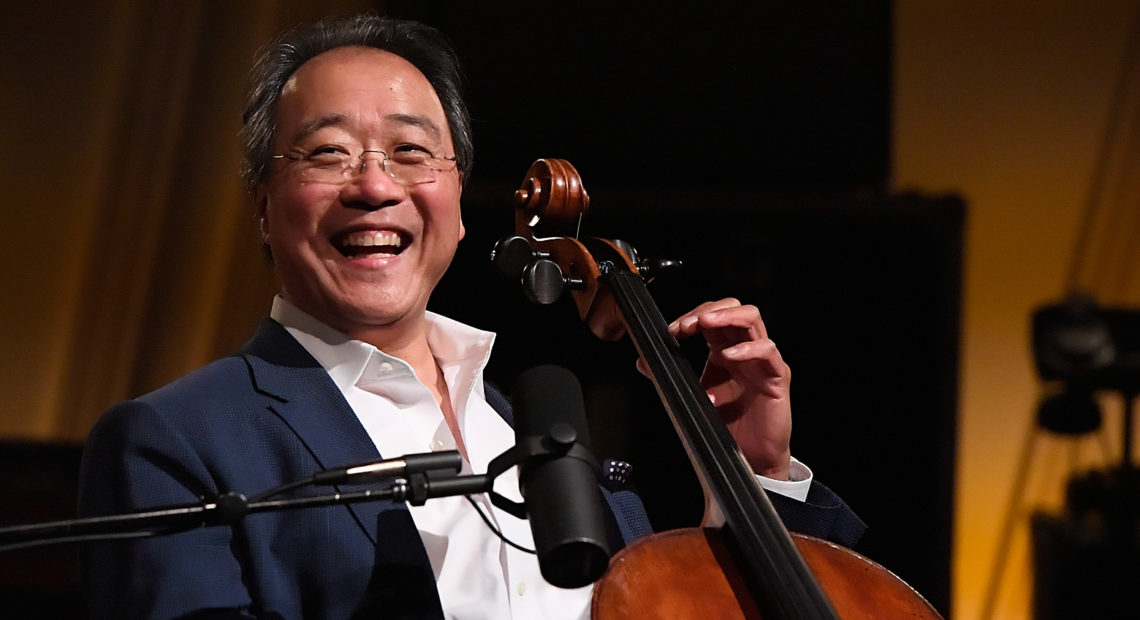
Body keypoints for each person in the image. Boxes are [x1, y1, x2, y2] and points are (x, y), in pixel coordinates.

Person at [78, 13, 864, 620]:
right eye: (326, 154)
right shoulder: (175, 442)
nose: (374, 185)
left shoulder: (551, 445)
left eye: (412, 152)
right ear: (262, 208)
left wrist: (751, 476)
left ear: (456, 203)